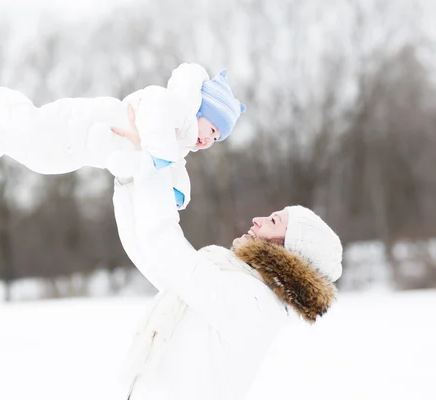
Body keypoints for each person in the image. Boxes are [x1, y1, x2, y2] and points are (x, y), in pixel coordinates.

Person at [111, 116, 342, 400]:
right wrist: (128, 174)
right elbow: (152, 256)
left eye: (273, 220)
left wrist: (152, 163)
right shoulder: (234, 277)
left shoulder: (255, 303)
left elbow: (164, 246)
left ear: (289, 250)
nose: (257, 220)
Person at [0, 63, 245, 210]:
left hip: (84, 152)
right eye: (212, 130)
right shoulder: (170, 104)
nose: (210, 140)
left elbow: (173, 167)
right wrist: (157, 157)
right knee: (35, 124)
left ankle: (4, 138)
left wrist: (177, 194)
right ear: (200, 110)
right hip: (84, 121)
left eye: (216, 139)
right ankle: (2, 103)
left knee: (44, 163)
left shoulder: (176, 147)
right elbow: (155, 122)